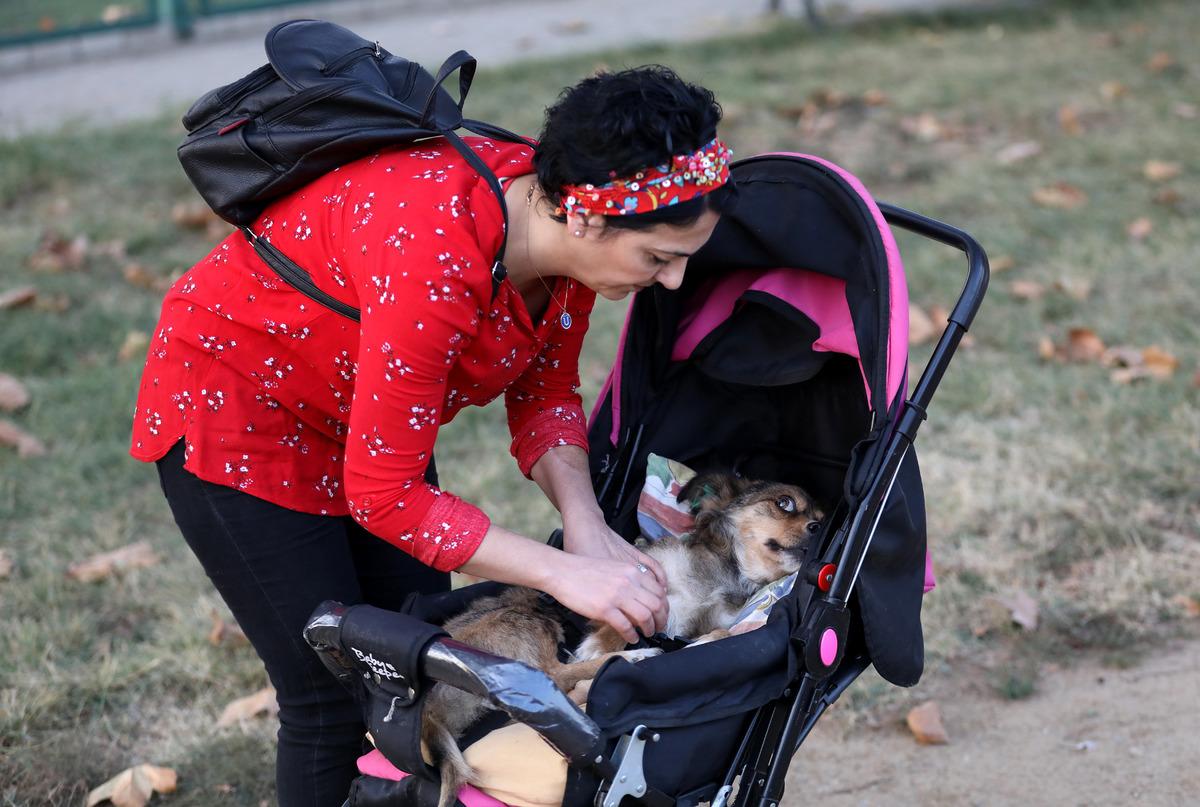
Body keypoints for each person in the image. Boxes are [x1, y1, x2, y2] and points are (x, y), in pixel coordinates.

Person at [130, 64, 733, 805]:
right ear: (585, 217)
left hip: (359, 416)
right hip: (235, 408)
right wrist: (561, 574)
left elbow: (544, 391)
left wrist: (584, 526)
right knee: (329, 698)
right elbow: (386, 496)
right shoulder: (437, 255)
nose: (672, 282)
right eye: (658, 258)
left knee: (420, 671)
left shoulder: (561, 240)